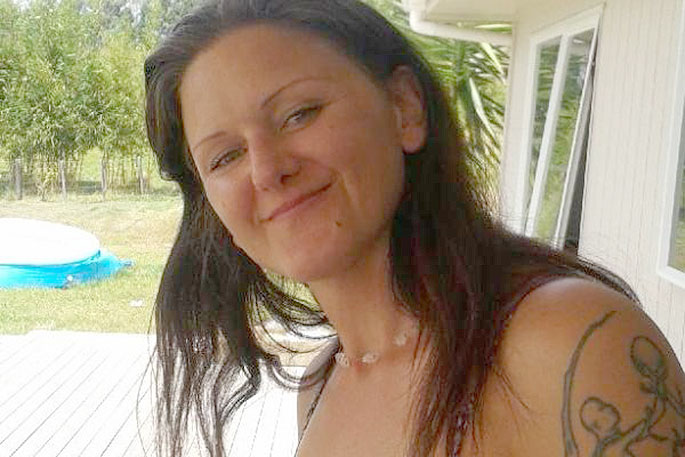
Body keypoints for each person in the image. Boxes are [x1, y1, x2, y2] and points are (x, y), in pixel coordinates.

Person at [143, 1, 685, 456]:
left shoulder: (564, 343)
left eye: (299, 113)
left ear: (404, 108)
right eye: (225, 157)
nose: (266, 170)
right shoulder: (320, 385)